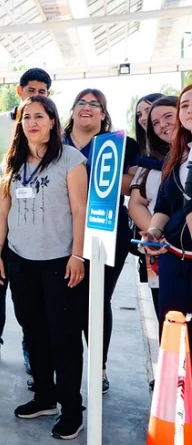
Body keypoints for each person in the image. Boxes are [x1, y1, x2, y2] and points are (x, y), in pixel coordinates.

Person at [0, 96, 87, 440]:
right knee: (33, 333)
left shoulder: (70, 159)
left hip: (60, 262)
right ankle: (44, 397)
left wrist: (77, 255)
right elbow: (2, 211)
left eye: (39, 116)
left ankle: (71, 410)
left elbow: (80, 211)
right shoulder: (12, 163)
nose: (32, 122)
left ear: (52, 121)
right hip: (21, 261)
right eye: (26, 117)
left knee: (63, 336)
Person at [63, 88, 140, 394]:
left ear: (103, 114)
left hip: (107, 229)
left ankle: (100, 366)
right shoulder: (56, 142)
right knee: (66, 301)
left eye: (95, 105)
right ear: (72, 110)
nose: (87, 108)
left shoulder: (120, 145)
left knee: (97, 300)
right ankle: (61, 366)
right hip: (62, 231)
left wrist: (93, 176)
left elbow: (133, 186)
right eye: (81, 102)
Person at [0, 67, 52, 369]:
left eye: (43, 92)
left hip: (36, 212)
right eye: (31, 90)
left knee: (29, 285)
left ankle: (31, 345)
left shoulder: (50, 126)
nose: (36, 96)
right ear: (19, 91)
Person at [143, 84, 192, 359]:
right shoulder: (176, 158)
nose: (162, 125)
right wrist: (153, 232)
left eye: (167, 116)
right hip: (174, 259)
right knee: (172, 333)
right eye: (184, 106)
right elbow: (163, 204)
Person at [129, 96, 176, 328]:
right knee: (167, 323)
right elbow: (137, 203)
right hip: (161, 253)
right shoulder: (149, 160)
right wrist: (155, 234)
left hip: (182, 248)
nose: (147, 119)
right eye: (142, 115)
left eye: (165, 116)